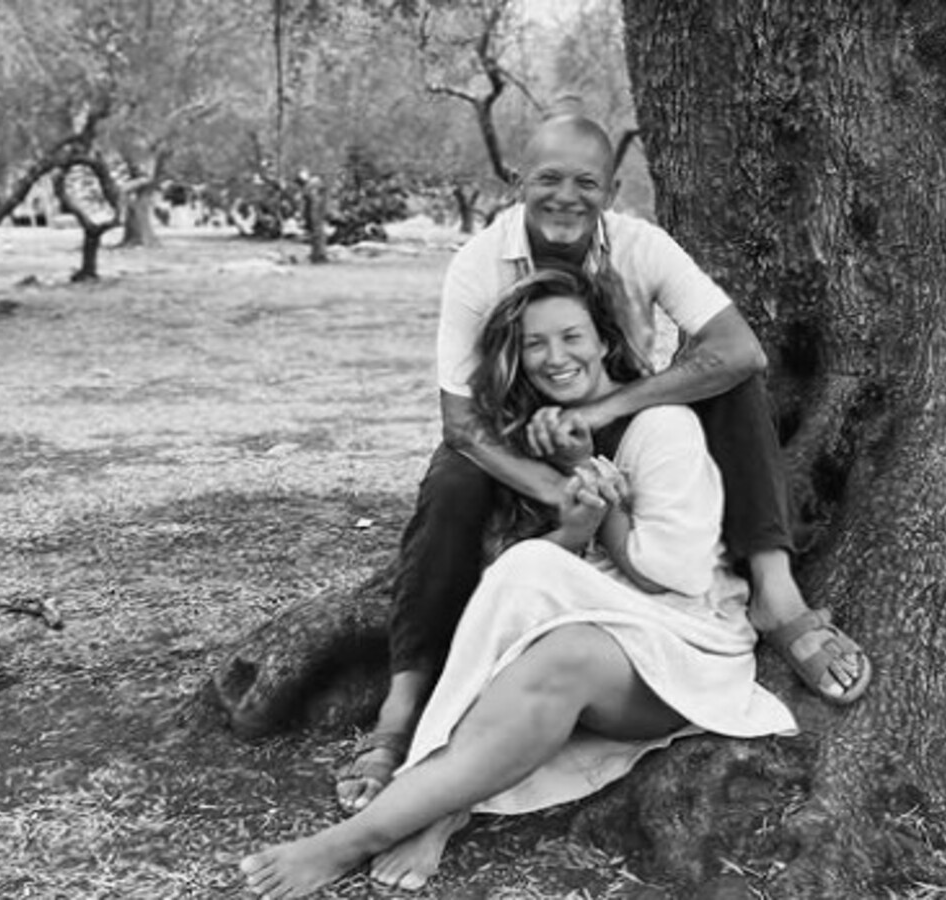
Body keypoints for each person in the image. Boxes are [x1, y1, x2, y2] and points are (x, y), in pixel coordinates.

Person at [334, 113, 869, 815]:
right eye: (549, 178)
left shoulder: (642, 247)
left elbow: (741, 350)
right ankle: (401, 709)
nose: (567, 196)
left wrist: (602, 411)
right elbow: (461, 423)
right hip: (516, 430)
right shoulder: (478, 265)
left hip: (614, 411)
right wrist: (559, 489)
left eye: (586, 182)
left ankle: (777, 592)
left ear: (612, 191)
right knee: (452, 480)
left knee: (734, 385)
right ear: (518, 181)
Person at [244, 269, 798, 898]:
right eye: (536, 344)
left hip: (685, 644)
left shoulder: (662, 424)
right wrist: (579, 524)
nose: (556, 357)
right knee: (537, 628)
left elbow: (675, 573)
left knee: (540, 602)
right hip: (599, 629)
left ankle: (351, 839)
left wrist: (596, 496)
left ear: (604, 340)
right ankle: (442, 807)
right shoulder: (543, 435)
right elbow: (554, 576)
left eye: (572, 336)